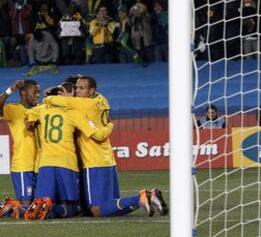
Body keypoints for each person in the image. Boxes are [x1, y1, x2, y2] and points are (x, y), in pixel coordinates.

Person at [43, 76, 168, 217]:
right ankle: (147, 198)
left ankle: (143, 197)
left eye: (81, 88)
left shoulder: (82, 107)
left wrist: (48, 97)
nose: (77, 91)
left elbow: (97, 134)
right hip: (108, 159)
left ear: (91, 91)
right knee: (112, 204)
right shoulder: (102, 99)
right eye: (76, 88)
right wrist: (109, 125)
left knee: (97, 209)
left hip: (93, 161)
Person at [24, 82, 116, 220]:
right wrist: (109, 125)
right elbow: (96, 134)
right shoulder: (73, 113)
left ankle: (17, 207)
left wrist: (32, 123)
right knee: (73, 207)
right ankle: (52, 207)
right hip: (67, 163)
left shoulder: (41, 109)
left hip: (44, 163)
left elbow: (27, 121)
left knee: (40, 203)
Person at [0, 80, 40, 219]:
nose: (37, 95)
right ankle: (9, 206)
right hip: (23, 164)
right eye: (34, 92)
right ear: (23, 92)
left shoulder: (41, 109)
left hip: (41, 165)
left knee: (39, 206)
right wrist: (10, 90)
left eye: (39, 92)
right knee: (28, 207)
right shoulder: (14, 110)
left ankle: (10, 205)